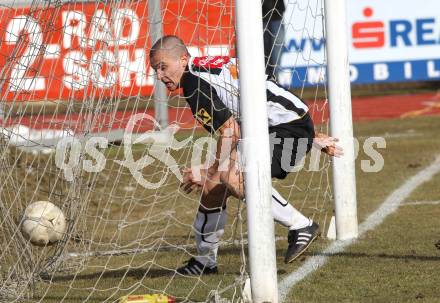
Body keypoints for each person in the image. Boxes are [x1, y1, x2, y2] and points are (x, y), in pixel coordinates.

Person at [149, 35, 342, 276]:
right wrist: (310, 135)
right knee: (213, 187)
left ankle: (301, 225)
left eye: (162, 67)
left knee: (229, 176)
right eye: (155, 70)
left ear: (183, 59)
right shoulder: (204, 65)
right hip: (282, 123)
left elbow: (231, 129)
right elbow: (256, 94)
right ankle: (205, 261)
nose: (159, 76)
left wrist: (210, 170)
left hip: (284, 127)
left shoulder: (192, 83)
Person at [262, 0, 286, 80]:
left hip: (277, 16)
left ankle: (275, 81)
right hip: (259, 18)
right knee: (263, 52)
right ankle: (265, 81)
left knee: (277, 51)